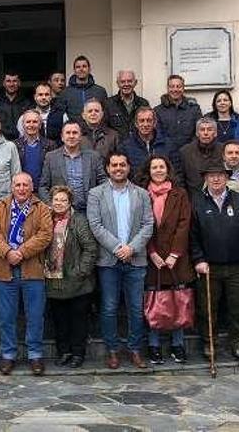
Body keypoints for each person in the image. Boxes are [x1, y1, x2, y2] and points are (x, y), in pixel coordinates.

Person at [87, 152, 155, 369]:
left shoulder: (142, 194)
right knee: (109, 307)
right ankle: (113, 350)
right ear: (108, 168)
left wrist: (131, 248)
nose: (118, 168)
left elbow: (148, 225)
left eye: (122, 165)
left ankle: (135, 350)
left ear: (128, 168)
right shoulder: (96, 194)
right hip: (109, 261)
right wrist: (117, 248)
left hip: (136, 260)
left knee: (136, 308)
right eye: (114, 165)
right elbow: (95, 225)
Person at [191, 165, 239, 363]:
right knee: (207, 308)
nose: (216, 180)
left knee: (238, 308)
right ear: (206, 179)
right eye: (211, 176)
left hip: (238, 266)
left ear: (227, 178)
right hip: (209, 267)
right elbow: (193, 237)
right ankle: (209, 342)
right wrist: (198, 259)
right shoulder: (197, 203)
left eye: (220, 176)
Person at [0, 172, 53, 376]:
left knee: (35, 316)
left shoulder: (41, 207)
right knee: (6, 316)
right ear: (12, 186)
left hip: (32, 269)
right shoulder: (1, 206)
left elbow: (45, 234)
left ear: (32, 187)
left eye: (26, 185)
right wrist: (8, 252)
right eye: (18, 185)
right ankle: (8, 354)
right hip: (5, 269)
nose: (22, 188)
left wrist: (22, 252)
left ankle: (35, 354)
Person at [137, 155, 192, 365]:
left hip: (176, 258)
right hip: (151, 257)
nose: (158, 171)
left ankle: (178, 344)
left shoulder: (180, 194)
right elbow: (141, 224)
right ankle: (154, 345)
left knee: (177, 300)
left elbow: (184, 224)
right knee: (155, 301)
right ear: (148, 171)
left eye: (162, 167)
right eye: (154, 167)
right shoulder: (142, 194)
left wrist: (174, 254)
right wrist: (151, 252)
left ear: (168, 170)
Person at [46, 186, 97, 369]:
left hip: (77, 280)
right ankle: (63, 351)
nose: (59, 203)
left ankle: (77, 353)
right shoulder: (46, 220)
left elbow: (90, 248)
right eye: (56, 200)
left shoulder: (79, 221)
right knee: (60, 320)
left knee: (78, 320)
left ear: (70, 203)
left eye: (63, 200)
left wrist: (80, 271)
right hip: (53, 279)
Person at [39, 121, 107, 213]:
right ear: (62, 137)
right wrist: (52, 205)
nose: (71, 136)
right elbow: (43, 186)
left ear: (80, 137)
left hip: (88, 210)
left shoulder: (93, 157)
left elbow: (103, 182)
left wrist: (98, 203)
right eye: (68, 133)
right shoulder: (51, 157)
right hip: (60, 212)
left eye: (75, 133)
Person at [119, 107, 183, 186]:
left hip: (166, 192)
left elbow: (177, 173)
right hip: (138, 193)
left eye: (149, 120)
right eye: (141, 121)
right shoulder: (126, 147)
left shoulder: (168, 145)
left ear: (154, 123)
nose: (145, 124)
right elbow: (123, 174)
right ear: (136, 124)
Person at [154, 75, 202, 148]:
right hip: (167, 154)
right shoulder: (158, 111)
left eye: (178, 86)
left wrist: (190, 148)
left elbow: (199, 131)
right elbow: (158, 135)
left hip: (190, 152)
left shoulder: (194, 109)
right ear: (167, 88)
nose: (175, 89)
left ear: (183, 88)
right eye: (172, 86)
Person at [15, 110, 57, 190]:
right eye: (28, 122)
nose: (31, 125)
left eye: (35, 122)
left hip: (43, 191)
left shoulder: (50, 145)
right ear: (23, 125)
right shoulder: (14, 146)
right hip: (22, 190)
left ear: (40, 125)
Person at [179, 117, 224, 191]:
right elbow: (180, 178)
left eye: (209, 130)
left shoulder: (224, 150)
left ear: (215, 133)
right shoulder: (185, 151)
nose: (205, 133)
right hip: (192, 197)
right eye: (202, 130)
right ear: (197, 133)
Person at [104, 70, 150, 141]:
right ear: (117, 83)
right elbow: (105, 129)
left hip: (138, 148)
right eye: (122, 82)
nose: (126, 84)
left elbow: (149, 126)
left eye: (129, 81)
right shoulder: (109, 104)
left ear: (135, 83)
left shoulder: (143, 103)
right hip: (117, 149)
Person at [62, 55, 108, 121]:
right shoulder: (66, 92)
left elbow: (105, 114)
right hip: (75, 130)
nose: (81, 69)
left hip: (95, 129)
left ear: (89, 69)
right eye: (78, 67)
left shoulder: (100, 91)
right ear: (74, 70)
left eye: (84, 66)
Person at [0, 71, 32, 141]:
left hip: (22, 141)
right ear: (4, 83)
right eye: (8, 81)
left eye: (14, 81)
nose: (11, 84)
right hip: (1, 142)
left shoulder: (27, 103)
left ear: (19, 83)